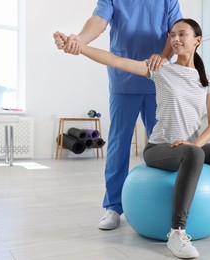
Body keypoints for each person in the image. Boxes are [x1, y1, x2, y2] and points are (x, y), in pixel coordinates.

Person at [56, 18, 210, 259]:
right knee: (193, 153)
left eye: (182, 34)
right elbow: (117, 61)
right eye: (172, 35)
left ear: (197, 40)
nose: (175, 39)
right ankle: (177, 232)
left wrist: (194, 144)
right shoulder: (161, 69)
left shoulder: (207, 80)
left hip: (192, 147)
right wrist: (79, 46)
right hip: (161, 147)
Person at [53, 0, 182, 230]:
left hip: (159, 80)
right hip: (123, 80)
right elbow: (98, 21)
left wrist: (163, 56)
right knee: (118, 144)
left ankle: (164, 200)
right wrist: (79, 41)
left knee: (162, 145)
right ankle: (113, 206)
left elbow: (177, 31)